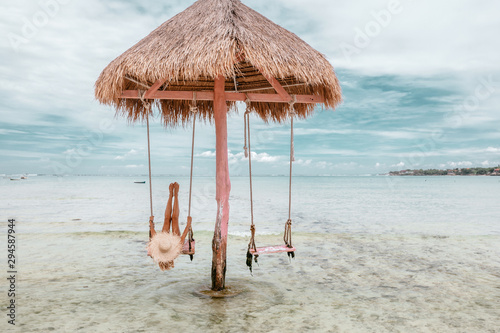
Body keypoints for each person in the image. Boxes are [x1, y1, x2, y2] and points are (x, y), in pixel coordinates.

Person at [148, 182, 191, 271]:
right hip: (172, 242)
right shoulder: (175, 252)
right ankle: (175, 194)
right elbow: (183, 237)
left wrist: (151, 224)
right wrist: (188, 225)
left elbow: (154, 236)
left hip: (164, 241)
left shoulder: (161, 251)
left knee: (168, 219)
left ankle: (171, 194)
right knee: (173, 219)